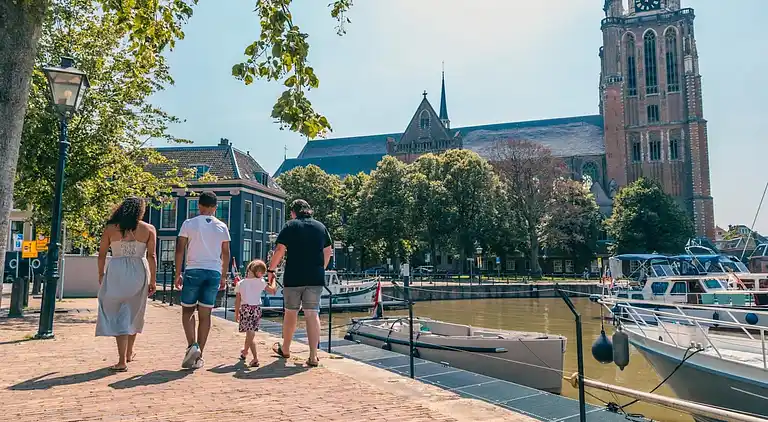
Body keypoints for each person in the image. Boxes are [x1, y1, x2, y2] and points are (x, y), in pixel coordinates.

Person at [268, 199, 332, 367]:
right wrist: (321, 268)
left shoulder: (290, 226)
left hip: (293, 277)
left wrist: (271, 270)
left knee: (290, 313)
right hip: (315, 278)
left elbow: (280, 250)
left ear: (293, 212)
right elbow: (328, 251)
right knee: (312, 313)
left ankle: (286, 349)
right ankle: (313, 356)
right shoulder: (320, 227)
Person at [96, 197, 157, 372]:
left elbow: (101, 255)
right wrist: (153, 280)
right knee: (135, 311)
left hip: (116, 270)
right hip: (139, 270)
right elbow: (152, 256)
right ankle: (129, 352)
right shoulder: (148, 229)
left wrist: (101, 274)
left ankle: (122, 359)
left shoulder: (110, 228)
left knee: (119, 312)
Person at [174, 191, 231, 370]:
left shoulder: (189, 224)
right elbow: (226, 253)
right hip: (213, 272)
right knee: (205, 315)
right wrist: (223, 275)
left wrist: (178, 272)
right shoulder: (222, 226)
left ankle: (192, 346)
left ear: (199, 205)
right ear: (215, 208)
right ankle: (199, 356)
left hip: (193, 269)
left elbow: (179, 249)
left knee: (187, 310)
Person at [235, 259, 277, 367]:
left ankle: (248, 354)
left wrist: (236, 313)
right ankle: (251, 356)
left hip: (245, 309)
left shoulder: (241, 283)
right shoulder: (261, 282)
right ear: (258, 273)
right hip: (256, 309)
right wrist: (273, 280)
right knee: (251, 333)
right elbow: (273, 291)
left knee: (250, 333)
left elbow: (238, 300)